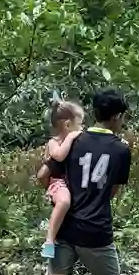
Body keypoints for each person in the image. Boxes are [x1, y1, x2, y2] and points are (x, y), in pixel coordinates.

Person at [25, 87, 131, 275]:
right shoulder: (121, 150)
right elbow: (112, 192)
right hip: (97, 231)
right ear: (117, 117)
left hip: (66, 228)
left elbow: (46, 173)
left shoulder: (73, 140)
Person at [37, 99, 84, 259]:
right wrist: (70, 138)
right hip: (57, 183)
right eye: (80, 123)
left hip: (71, 182)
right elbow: (58, 156)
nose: (82, 128)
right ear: (68, 125)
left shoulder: (78, 139)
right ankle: (49, 240)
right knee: (64, 202)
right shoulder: (54, 142)